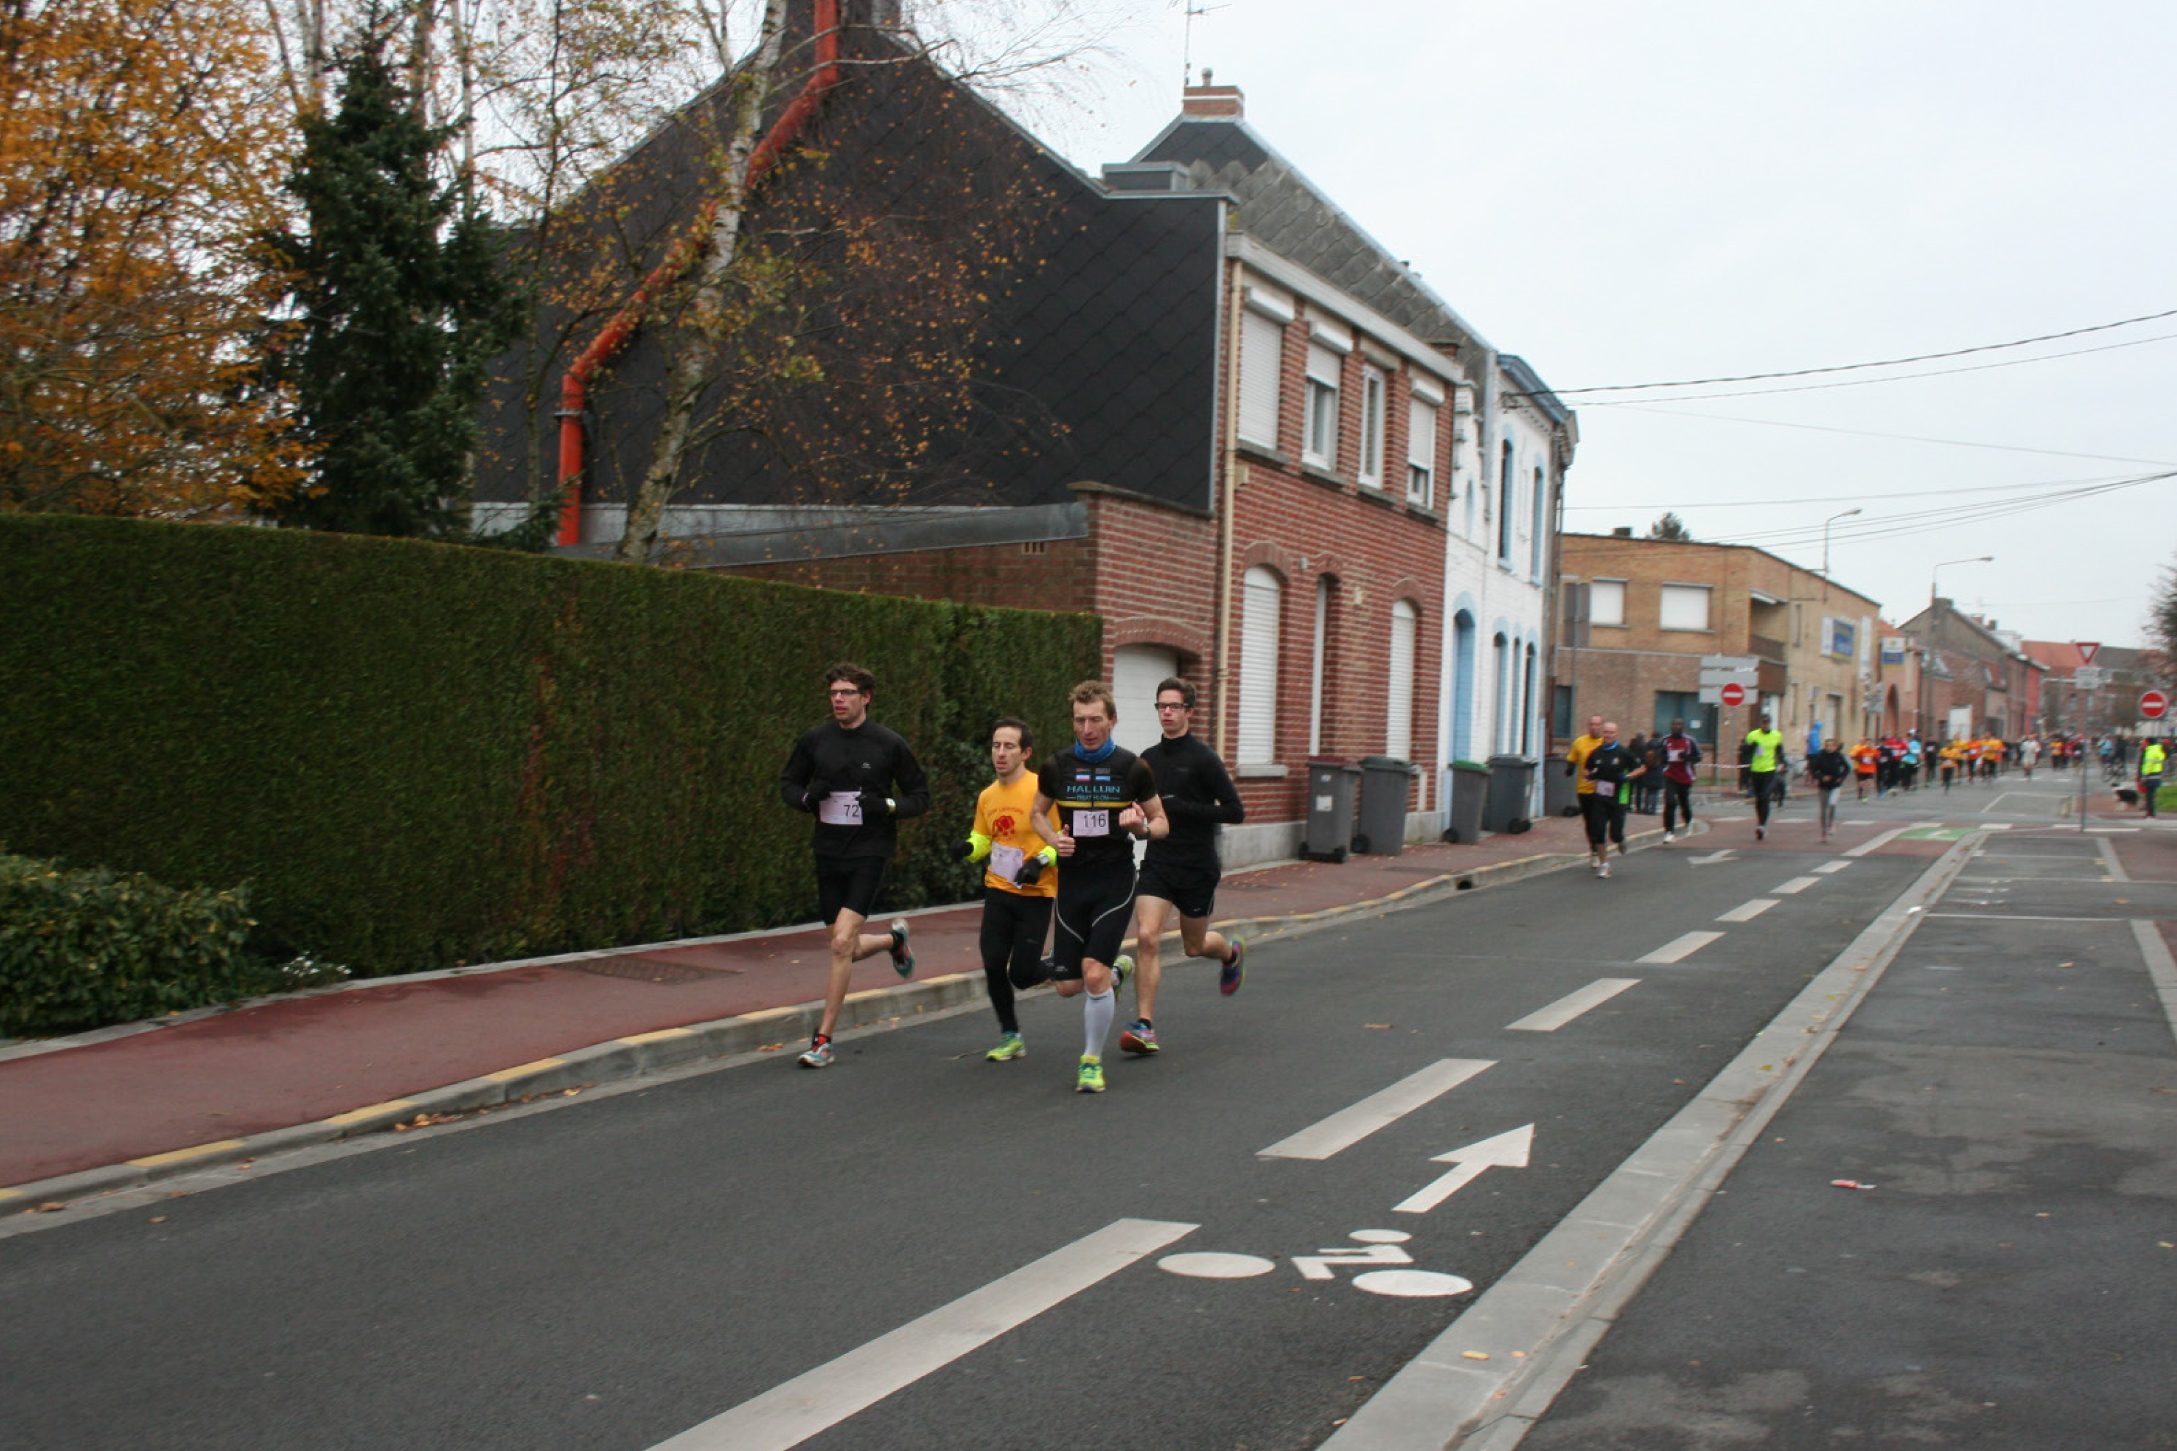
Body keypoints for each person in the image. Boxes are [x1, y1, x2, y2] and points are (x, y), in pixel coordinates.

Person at [778, 662, 930, 1069]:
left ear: (866, 697)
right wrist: (809, 799)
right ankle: (892, 941)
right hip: (828, 851)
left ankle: (823, 1039)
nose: (838, 700)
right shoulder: (815, 740)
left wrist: (887, 806)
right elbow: (788, 785)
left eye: (846, 693)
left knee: (843, 942)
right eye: (833, 694)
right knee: (839, 942)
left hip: (870, 850)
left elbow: (920, 795)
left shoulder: (887, 744)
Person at [1033, 681, 1167, 1093]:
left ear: (1112, 720)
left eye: (1095, 720)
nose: (1087, 728)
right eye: (1079, 720)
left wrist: (1140, 827)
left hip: (1114, 880)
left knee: (1091, 976)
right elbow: (1037, 814)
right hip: (1073, 882)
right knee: (1067, 986)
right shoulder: (1057, 765)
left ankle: (1090, 1061)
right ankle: (1114, 972)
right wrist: (1053, 839)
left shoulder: (1132, 768)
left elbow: (1162, 823)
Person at [1116, 677, 1246, 1058]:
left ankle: (1230, 955)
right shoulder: (1148, 760)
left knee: (1194, 946)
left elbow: (1235, 811)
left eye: (1173, 706)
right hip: (1159, 860)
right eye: (1161, 706)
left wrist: (1184, 808)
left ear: (1189, 711)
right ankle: (1144, 1025)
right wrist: (1136, 821)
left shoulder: (1204, 759)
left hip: (1197, 866)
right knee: (1147, 938)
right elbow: (1136, 807)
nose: (1167, 713)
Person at [954, 718, 1059, 1063]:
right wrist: (968, 849)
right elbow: (984, 838)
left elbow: (1062, 840)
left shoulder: (1043, 790)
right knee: (993, 961)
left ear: (1026, 752)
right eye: (996, 745)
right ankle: (1010, 1035)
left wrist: (1039, 863)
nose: (1000, 753)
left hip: (1036, 895)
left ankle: (1073, 966)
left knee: (1023, 975)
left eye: (1009, 746)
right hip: (999, 890)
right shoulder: (987, 795)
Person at [1581, 720, 1643, 877]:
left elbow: (1641, 768)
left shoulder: (1624, 753)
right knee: (1598, 831)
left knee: (1614, 833)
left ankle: (1620, 839)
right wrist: (1589, 775)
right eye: (1606, 732)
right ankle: (1604, 864)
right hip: (1600, 796)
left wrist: (1627, 777)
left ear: (1616, 734)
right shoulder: (1596, 752)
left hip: (1618, 798)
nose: (1608, 735)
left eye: (1611, 733)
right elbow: (1586, 769)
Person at [1566, 713, 1607, 858]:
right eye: (1591, 724)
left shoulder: (1605, 743)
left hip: (1601, 789)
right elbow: (1572, 758)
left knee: (1599, 820)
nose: (1594, 727)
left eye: (1597, 724)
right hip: (1584, 788)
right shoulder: (1580, 742)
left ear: (1602, 726)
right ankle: (1594, 848)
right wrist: (1570, 768)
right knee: (1589, 821)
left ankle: (1599, 845)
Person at [1658, 717, 1702, 843]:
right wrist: (1664, 758)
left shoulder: (1690, 741)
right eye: (1674, 724)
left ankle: (1688, 819)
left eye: (1678, 724)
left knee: (1684, 801)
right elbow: (1660, 756)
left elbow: (1699, 757)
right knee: (1670, 801)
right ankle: (1669, 832)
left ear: (1682, 727)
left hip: (1685, 776)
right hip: (1670, 775)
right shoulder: (1665, 740)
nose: (1676, 726)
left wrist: (1687, 757)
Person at [1743, 710, 1784, 841]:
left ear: (1770, 723)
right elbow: (1744, 752)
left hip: (1770, 770)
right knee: (1759, 799)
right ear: (1760, 723)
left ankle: (1762, 825)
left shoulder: (1776, 735)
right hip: (1756, 771)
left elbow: (1779, 751)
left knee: (1765, 796)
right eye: (1763, 722)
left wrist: (1782, 762)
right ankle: (1760, 822)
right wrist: (1751, 747)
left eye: (1767, 723)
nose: (1765, 725)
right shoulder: (1753, 735)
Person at [1808, 736, 1851, 844]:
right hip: (1823, 786)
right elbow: (1813, 770)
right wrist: (1821, 777)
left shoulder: (1838, 756)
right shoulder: (1820, 755)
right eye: (1828, 746)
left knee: (1832, 804)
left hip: (1836, 785)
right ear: (1825, 746)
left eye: (1832, 746)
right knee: (1823, 809)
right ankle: (1823, 832)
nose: (1830, 748)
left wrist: (1841, 778)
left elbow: (1847, 768)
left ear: (1835, 747)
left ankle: (1831, 824)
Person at [2140, 737, 2166, 819]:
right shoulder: (2158, 750)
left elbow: (2148, 764)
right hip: (2157, 775)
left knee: (2149, 796)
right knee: (2151, 795)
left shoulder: (2150, 751)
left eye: (2145, 742)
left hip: (2150, 776)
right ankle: (2151, 813)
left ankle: (2151, 814)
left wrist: (2144, 775)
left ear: (2149, 743)